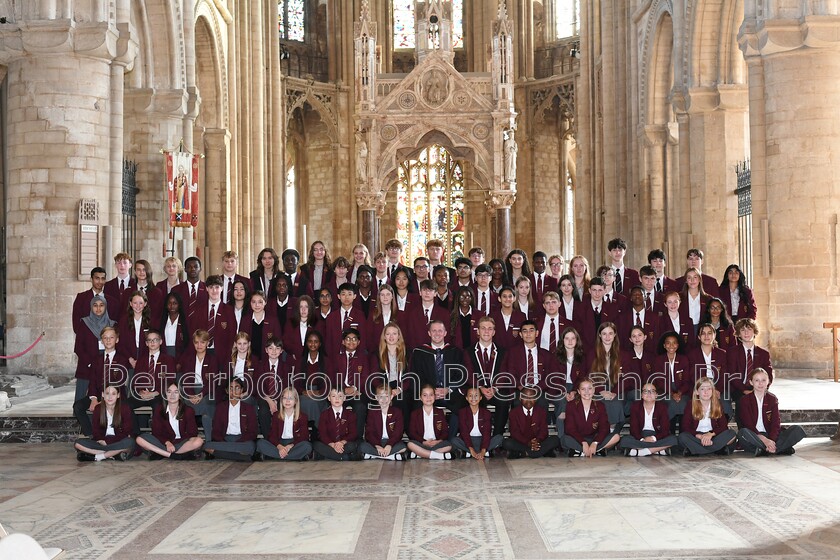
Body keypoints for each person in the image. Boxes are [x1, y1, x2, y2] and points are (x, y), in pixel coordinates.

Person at [737, 368, 804, 456]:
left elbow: (775, 423)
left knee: (797, 430)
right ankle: (779, 448)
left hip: (770, 434)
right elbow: (748, 425)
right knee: (743, 433)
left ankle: (765, 449)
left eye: (763, 380)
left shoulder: (772, 399)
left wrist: (771, 440)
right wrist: (764, 440)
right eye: (757, 380)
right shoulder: (745, 400)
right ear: (751, 382)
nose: (760, 383)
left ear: (768, 382)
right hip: (755, 435)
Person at [466, 316, 512, 438]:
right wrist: (480, 387)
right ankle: (479, 438)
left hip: (495, 389)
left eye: (490, 329)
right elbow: (469, 373)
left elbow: (504, 372)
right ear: (478, 331)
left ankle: (497, 438)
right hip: (478, 389)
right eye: (483, 328)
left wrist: (495, 388)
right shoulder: (468, 351)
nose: (486, 331)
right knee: (475, 400)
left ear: (494, 332)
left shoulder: (502, 352)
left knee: (504, 401)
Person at [136, 382, 203, 460]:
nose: (172, 395)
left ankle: (161, 453)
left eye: (176, 392)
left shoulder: (188, 410)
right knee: (139, 439)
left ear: (180, 395)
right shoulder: (159, 410)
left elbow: (193, 433)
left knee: (198, 441)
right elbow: (156, 432)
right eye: (169, 392)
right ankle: (174, 455)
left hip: (182, 442)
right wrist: (167, 442)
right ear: (165, 395)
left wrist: (175, 444)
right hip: (164, 442)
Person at [177, 329, 221, 440]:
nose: (199, 345)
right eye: (196, 342)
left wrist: (200, 394)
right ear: (193, 343)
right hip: (191, 391)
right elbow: (186, 380)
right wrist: (191, 395)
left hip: (207, 391)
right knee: (185, 404)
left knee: (207, 403)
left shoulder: (213, 359)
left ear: (208, 343)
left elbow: (212, 382)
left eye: (202, 342)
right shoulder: (188, 359)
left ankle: (209, 441)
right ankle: (190, 440)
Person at [74, 383, 135, 462]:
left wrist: (108, 442)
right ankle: (113, 454)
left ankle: (98, 456)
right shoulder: (98, 409)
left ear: (118, 395)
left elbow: (127, 432)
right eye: (107, 393)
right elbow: (96, 431)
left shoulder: (125, 408)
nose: (110, 397)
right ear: (103, 395)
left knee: (130, 442)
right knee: (77, 443)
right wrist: (101, 440)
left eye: (113, 394)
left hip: (118, 441)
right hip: (101, 443)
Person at [726, 318, 773, 418]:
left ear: (755, 332)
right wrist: (744, 390)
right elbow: (732, 374)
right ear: (738, 334)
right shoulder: (732, 352)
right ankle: (744, 431)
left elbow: (768, 374)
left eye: (749, 329)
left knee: (770, 400)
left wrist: (762, 388)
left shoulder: (763, 354)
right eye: (743, 330)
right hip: (738, 388)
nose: (746, 332)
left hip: (759, 387)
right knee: (742, 401)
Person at [562, 377, 621, 457]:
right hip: (577, 439)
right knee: (564, 440)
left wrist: (595, 442)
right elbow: (569, 428)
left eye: (589, 389)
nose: (587, 392)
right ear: (579, 391)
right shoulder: (571, 405)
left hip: (593, 439)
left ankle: (581, 452)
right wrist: (583, 442)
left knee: (616, 437)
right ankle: (595, 451)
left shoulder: (600, 405)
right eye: (583, 389)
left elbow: (604, 427)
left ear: (593, 390)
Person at [678, 378, 736, 456]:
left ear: (713, 391)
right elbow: (685, 427)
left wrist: (710, 434)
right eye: (702, 389)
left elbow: (723, 426)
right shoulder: (690, 404)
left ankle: (696, 449)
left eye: (709, 389)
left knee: (731, 433)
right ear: (697, 392)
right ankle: (716, 448)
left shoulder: (717, 404)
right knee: (682, 437)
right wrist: (700, 436)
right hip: (697, 437)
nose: (706, 392)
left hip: (712, 436)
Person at [73, 296, 115, 404]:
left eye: (101, 305)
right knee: (81, 398)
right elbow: (78, 346)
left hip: (106, 360)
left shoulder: (112, 324)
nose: (98, 309)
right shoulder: (84, 323)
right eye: (95, 305)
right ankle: (80, 419)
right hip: (87, 362)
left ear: (105, 307)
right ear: (91, 307)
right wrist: (90, 363)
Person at [204, 377, 258, 461]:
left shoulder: (249, 408)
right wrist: (224, 442)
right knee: (207, 446)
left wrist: (239, 441)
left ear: (241, 390)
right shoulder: (220, 407)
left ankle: (219, 453)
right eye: (231, 388)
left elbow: (253, 432)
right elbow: (216, 431)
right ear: (227, 391)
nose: (234, 391)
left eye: (237, 388)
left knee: (250, 446)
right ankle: (243, 457)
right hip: (226, 439)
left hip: (242, 440)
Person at [255, 387, 313, 461]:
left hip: (294, 444)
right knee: (260, 443)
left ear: (296, 401)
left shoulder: (302, 416)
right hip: (280, 443)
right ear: (281, 400)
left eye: (290, 398)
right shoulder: (276, 415)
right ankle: (294, 456)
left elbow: (304, 436)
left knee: (307, 446)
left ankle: (276, 456)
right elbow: (272, 436)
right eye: (285, 398)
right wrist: (280, 447)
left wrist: (289, 446)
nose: (287, 401)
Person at [620, 383, 678, 456]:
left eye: (652, 391)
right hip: (641, 435)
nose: (649, 394)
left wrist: (654, 438)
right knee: (624, 441)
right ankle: (658, 450)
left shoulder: (662, 407)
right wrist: (642, 439)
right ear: (641, 395)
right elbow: (633, 429)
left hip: (657, 435)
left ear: (656, 395)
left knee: (673, 439)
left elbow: (665, 429)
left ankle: (641, 452)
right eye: (645, 391)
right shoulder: (635, 407)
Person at [502, 386, 560, 459]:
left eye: (531, 397)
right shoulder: (514, 413)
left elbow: (544, 431)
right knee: (506, 443)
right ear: (520, 398)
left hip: (538, 441)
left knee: (555, 439)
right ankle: (540, 452)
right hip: (522, 442)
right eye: (525, 397)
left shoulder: (541, 411)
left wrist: (537, 441)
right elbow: (514, 432)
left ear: (535, 399)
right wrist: (528, 442)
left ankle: (524, 453)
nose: (529, 400)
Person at [372, 322, 412, 423]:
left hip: (401, 386)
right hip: (383, 386)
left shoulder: (407, 353)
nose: (391, 336)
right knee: (380, 400)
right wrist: (384, 391)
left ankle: (404, 431)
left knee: (402, 400)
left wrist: (399, 389)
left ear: (399, 336)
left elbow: (409, 376)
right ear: (384, 337)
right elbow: (374, 377)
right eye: (388, 334)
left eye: (394, 333)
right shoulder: (376, 354)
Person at [552, 327, 587, 438]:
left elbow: (582, 378)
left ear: (577, 340)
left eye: (573, 338)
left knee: (575, 402)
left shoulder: (582, 357)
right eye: (567, 338)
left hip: (576, 388)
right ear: (562, 341)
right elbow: (553, 377)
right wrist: (563, 392)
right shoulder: (555, 356)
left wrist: (574, 392)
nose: (570, 341)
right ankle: (563, 439)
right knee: (563, 402)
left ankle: (575, 439)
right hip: (557, 388)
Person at [451, 387, 504, 460]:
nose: (473, 398)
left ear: (481, 397)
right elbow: (464, 432)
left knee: (499, 438)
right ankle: (473, 451)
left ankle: (475, 452)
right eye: (470, 395)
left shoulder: (486, 413)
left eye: (476, 395)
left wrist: (483, 449)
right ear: (466, 398)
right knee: (454, 440)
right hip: (468, 440)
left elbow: (486, 432)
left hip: (481, 440)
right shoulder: (462, 412)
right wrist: (471, 448)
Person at [407, 385, 455, 460]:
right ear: (420, 398)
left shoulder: (439, 412)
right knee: (410, 444)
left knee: (449, 445)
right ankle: (437, 455)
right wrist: (423, 442)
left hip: (436, 444)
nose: (428, 398)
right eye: (425, 395)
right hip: (421, 443)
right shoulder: (415, 413)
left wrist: (438, 441)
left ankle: (421, 454)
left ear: (435, 397)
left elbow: (445, 431)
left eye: (431, 395)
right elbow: (412, 432)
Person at [359, 385, 407, 460]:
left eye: (387, 396)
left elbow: (398, 432)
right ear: (376, 398)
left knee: (403, 447)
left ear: (391, 397)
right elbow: (369, 432)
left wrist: (389, 445)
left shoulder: (397, 412)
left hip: (391, 442)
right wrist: (377, 446)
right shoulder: (372, 412)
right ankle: (391, 457)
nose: (384, 399)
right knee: (362, 446)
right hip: (377, 442)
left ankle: (374, 456)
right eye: (381, 397)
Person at [313, 389, 360, 461]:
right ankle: (343, 457)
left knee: (352, 445)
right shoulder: (324, 414)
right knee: (316, 445)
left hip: (344, 444)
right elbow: (322, 434)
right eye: (334, 396)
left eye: (340, 396)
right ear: (329, 398)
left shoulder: (350, 414)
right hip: (330, 445)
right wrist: (333, 445)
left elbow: (353, 433)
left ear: (344, 398)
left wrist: (342, 442)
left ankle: (331, 456)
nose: (337, 398)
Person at [72, 267, 118, 334]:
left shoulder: (113, 301)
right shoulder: (81, 298)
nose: (100, 282)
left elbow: (115, 324)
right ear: (91, 279)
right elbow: (76, 323)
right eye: (97, 278)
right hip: (87, 339)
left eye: (102, 279)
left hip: (107, 341)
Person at [489, 286, 526, 351]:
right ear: (499, 299)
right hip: (497, 353)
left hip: (515, 353)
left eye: (510, 296)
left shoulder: (521, 316)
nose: (507, 299)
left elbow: (523, 338)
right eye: (504, 296)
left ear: (514, 298)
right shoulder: (492, 316)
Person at [171, 256, 206, 323]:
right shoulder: (176, 290)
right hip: (182, 326)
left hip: (202, 327)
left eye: (195, 266)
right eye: (189, 267)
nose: (193, 269)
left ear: (200, 269)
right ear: (185, 269)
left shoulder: (207, 288)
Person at [679, 267, 709, 339]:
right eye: (689, 278)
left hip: (702, 330)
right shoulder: (679, 297)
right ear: (686, 280)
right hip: (684, 329)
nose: (692, 280)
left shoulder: (707, 298)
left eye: (695, 277)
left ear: (699, 279)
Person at [159, 292, 190, 359]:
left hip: (181, 356)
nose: (172, 306)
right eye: (169, 303)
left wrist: (181, 361)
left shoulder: (185, 321)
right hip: (164, 355)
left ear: (179, 304)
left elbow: (187, 343)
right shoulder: (161, 320)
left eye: (175, 303)